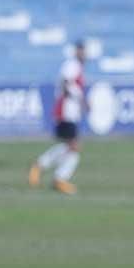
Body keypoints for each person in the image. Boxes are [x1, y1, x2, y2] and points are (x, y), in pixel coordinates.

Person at [29, 40, 87, 195]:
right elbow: (66, 82)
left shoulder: (78, 67)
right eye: (81, 51)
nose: (84, 54)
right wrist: (81, 99)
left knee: (72, 146)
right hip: (65, 110)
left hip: (71, 111)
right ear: (76, 52)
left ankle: (46, 169)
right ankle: (55, 176)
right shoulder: (72, 65)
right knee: (74, 146)